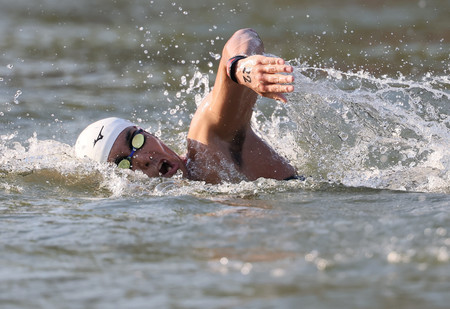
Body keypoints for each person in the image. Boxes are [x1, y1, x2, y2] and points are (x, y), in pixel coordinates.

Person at [75, 28, 299, 184]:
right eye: (123, 164)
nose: (143, 159)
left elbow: (244, 35)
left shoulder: (210, 145)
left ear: (150, 133)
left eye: (136, 140)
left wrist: (239, 66)